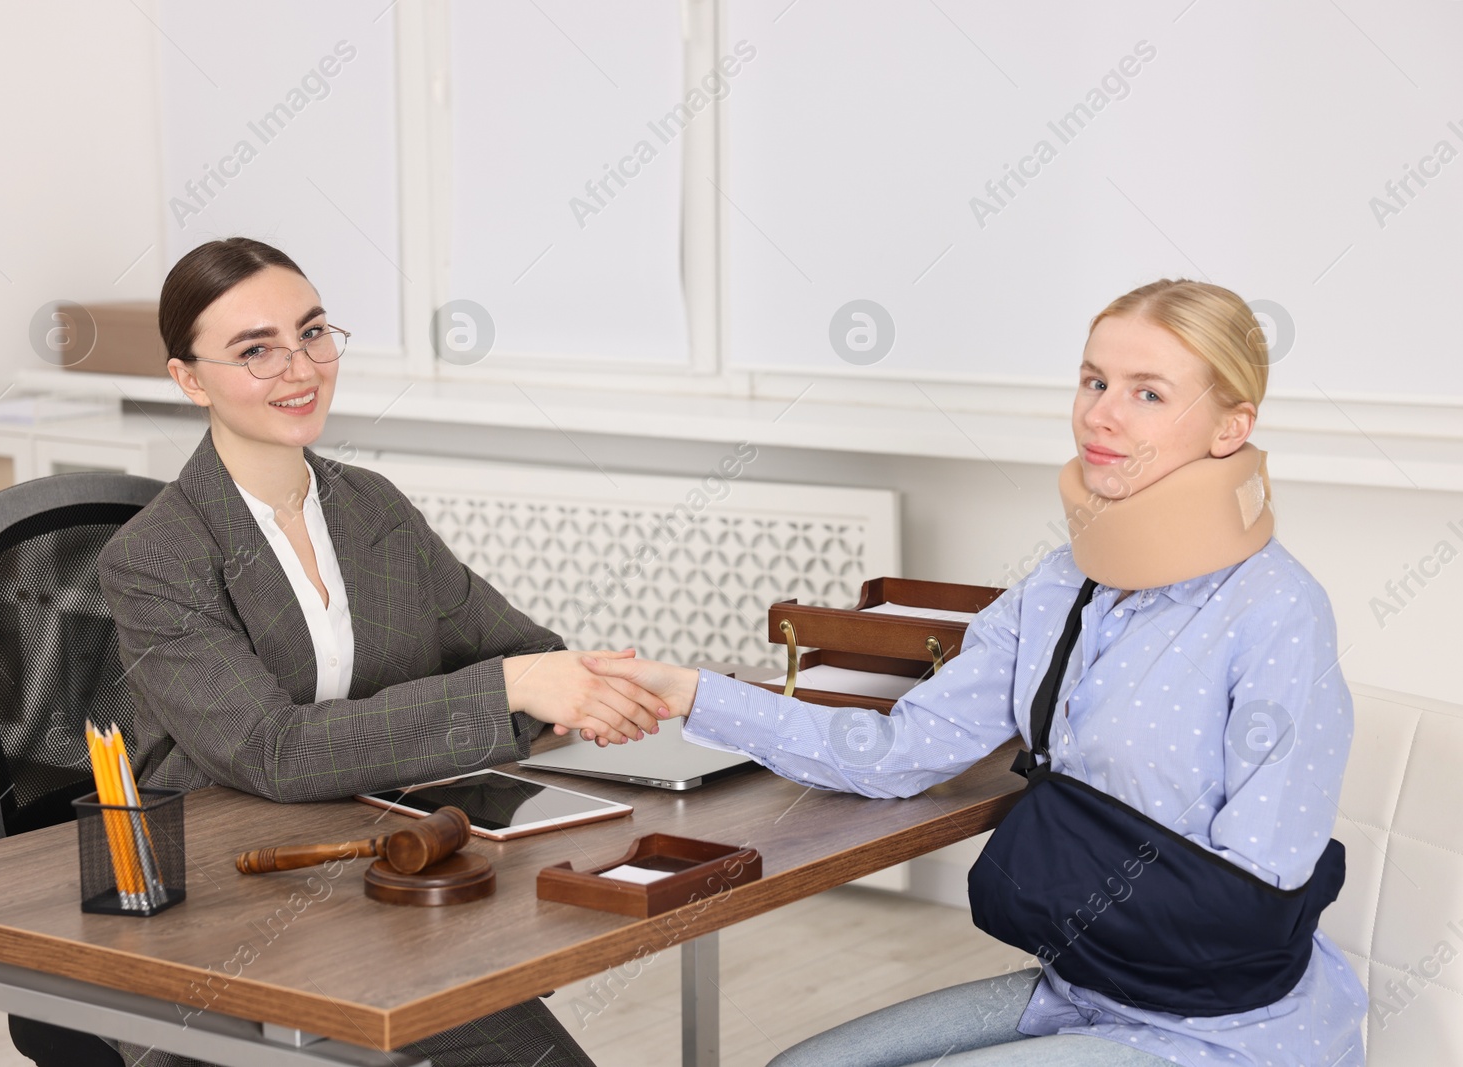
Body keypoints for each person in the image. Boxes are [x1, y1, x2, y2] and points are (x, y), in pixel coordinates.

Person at [585, 279, 1369, 1066]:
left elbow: (1256, 895)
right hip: (1083, 987)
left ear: (1233, 427)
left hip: (1228, 1033)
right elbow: (899, 751)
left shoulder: (1278, 612)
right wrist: (693, 693)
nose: (1101, 414)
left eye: (1149, 393)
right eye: (1094, 380)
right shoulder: (1062, 586)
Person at [97, 237, 666, 1067]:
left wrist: (567, 685)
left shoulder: (371, 507)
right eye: (256, 350)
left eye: (314, 332)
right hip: (228, 908)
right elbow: (275, 750)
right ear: (189, 379)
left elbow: (526, 651)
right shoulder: (155, 557)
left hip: (379, 871)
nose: (300, 369)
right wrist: (510, 688)